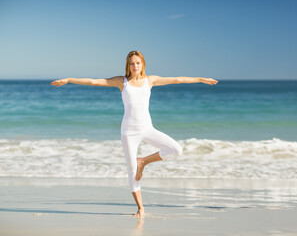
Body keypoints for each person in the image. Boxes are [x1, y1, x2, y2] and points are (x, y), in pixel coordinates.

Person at [51, 50, 218, 218]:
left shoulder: (150, 80)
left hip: (147, 129)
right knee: (131, 171)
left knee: (175, 149)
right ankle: (141, 208)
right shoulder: (122, 82)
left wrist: (201, 79)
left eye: (138, 63)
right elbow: (95, 82)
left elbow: (177, 80)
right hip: (129, 132)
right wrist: (69, 80)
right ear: (128, 65)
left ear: (142, 64)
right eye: (132, 63)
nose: (135, 66)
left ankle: (143, 161)